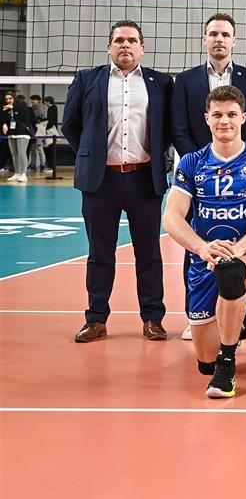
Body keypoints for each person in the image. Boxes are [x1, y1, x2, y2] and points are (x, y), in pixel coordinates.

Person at [161, 86, 246, 398]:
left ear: (243, 117)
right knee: (204, 361)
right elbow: (171, 216)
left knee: (230, 271)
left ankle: (227, 365)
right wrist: (202, 248)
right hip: (204, 259)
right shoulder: (191, 162)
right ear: (207, 119)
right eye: (217, 115)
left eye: (231, 114)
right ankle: (245, 321)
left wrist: (239, 248)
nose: (224, 121)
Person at [63, 20, 173, 343]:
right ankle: (96, 319)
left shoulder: (160, 82)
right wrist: (91, 153)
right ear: (109, 46)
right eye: (119, 40)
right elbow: (70, 124)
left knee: (149, 253)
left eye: (132, 40)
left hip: (144, 179)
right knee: (100, 253)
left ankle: (153, 318)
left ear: (142, 48)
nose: (126, 45)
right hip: (101, 181)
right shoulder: (87, 79)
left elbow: (168, 128)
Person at [172, 14, 246, 158]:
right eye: (213, 34)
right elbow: (179, 130)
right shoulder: (185, 81)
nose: (219, 39)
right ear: (204, 40)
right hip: (199, 164)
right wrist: (197, 161)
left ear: (233, 41)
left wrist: (244, 160)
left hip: (243, 164)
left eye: (225, 35)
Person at [2, 92, 35, 183]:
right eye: (7, 99)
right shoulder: (7, 109)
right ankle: (17, 173)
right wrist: (4, 124)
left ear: (14, 98)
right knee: (14, 154)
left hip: (22, 133)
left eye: (10, 98)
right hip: (12, 133)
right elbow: (3, 118)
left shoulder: (22, 105)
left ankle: (23, 174)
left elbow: (24, 115)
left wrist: (13, 107)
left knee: (21, 153)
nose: (8, 100)